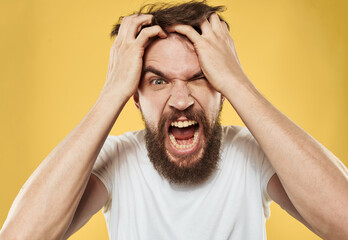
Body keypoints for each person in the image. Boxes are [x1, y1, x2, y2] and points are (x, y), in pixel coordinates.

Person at [0, 1, 347, 239]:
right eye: (158, 81)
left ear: (222, 87)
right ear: (135, 96)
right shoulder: (117, 160)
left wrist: (238, 82)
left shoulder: (251, 154)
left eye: (200, 77)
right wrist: (111, 93)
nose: (181, 101)